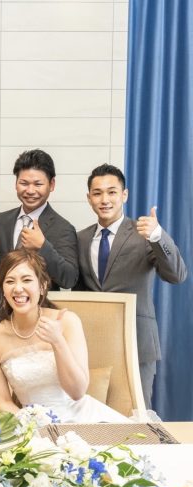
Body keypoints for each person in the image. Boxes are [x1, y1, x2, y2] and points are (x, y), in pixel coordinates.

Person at [77, 164, 187, 408]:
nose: (104, 199)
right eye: (97, 193)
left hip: (137, 342)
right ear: (89, 198)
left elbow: (177, 275)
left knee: (137, 416)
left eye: (112, 192)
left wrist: (158, 236)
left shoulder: (144, 234)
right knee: (93, 415)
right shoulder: (81, 238)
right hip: (94, 342)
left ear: (124, 195)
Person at [0, 250, 127, 423]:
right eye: (10, 281)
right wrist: (30, 425)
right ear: (3, 289)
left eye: (27, 280)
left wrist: (57, 342)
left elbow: (77, 392)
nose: (18, 288)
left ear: (42, 286)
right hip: (32, 426)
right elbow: (3, 401)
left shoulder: (67, 321)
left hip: (83, 420)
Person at [0, 149, 78, 324]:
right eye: (24, 183)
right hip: (3, 315)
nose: (30, 190)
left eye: (38, 184)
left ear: (51, 184)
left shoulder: (63, 228)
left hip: (41, 318)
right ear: (16, 184)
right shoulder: (2, 220)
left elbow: (69, 278)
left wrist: (43, 246)